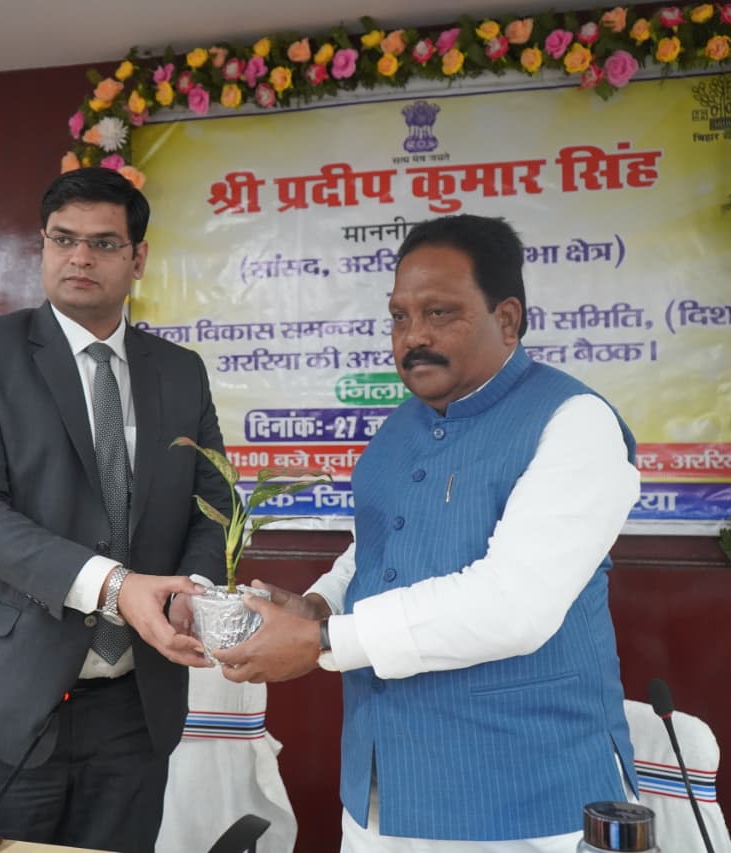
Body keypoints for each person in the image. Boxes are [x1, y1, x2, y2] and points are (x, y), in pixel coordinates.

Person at [215, 214, 643, 852]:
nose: (413, 336)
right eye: (399, 316)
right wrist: (318, 605)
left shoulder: (575, 422)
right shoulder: (400, 426)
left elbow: (515, 606)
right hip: (383, 788)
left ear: (507, 319)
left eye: (440, 313)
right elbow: (377, 546)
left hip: (526, 797)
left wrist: (321, 640)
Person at [0, 166, 231, 852]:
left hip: (132, 705)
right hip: (3, 699)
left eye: (103, 243)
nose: (80, 256)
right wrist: (117, 587)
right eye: (63, 239)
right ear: (44, 246)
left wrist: (193, 591)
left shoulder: (180, 371)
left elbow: (213, 504)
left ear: (138, 258)